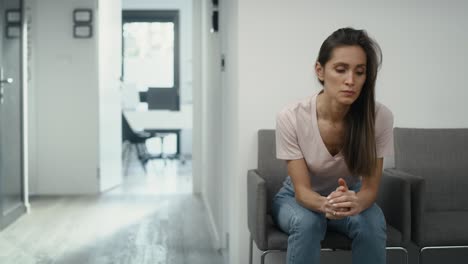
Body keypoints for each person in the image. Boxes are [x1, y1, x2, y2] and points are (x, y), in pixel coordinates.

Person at [272, 27, 393, 264]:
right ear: (320, 70)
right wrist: (326, 204)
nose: (351, 81)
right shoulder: (291, 116)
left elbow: (369, 189)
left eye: (360, 72)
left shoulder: (379, 117)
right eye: (340, 69)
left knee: (371, 224)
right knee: (308, 223)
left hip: (350, 195)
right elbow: (302, 192)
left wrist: (356, 202)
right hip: (297, 199)